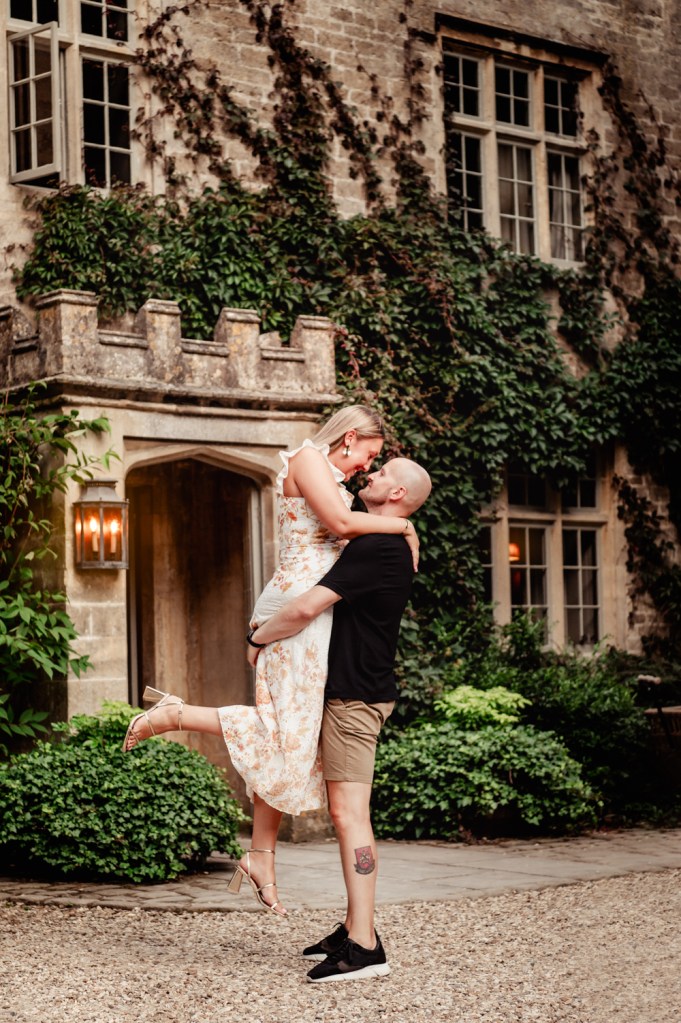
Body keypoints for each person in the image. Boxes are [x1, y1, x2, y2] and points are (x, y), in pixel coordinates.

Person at [122, 405, 419, 918]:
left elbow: (350, 528)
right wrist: (404, 529)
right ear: (349, 438)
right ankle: (176, 715)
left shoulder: (336, 480)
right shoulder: (307, 458)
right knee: (285, 729)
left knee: (291, 733)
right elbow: (343, 524)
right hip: (298, 603)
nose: (365, 469)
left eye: (375, 465)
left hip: (312, 606)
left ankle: (262, 854)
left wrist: (396, 528)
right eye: (368, 456)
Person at [246, 455, 432, 982]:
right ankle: (353, 923)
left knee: (350, 815)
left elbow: (307, 608)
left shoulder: (376, 547)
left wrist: (257, 638)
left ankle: (365, 946)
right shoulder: (380, 539)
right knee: (344, 811)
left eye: (380, 474)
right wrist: (406, 524)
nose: (367, 476)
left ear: (395, 495)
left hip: (354, 698)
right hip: (351, 692)